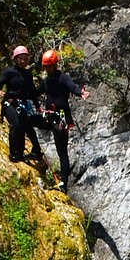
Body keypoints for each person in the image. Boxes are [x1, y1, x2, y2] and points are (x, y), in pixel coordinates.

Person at [39, 49, 89, 192]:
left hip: (62, 119)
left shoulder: (63, 78)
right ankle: (36, 150)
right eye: (46, 67)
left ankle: (64, 184)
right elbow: (35, 92)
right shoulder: (46, 82)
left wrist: (81, 93)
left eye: (50, 66)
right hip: (50, 118)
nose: (48, 69)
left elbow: (73, 88)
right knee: (30, 121)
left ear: (55, 65)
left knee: (62, 151)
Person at [0, 45, 44, 163]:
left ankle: (20, 154)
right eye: (20, 58)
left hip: (22, 104)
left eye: (25, 59)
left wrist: (37, 106)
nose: (23, 61)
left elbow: (32, 91)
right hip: (10, 102)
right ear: (16, 59)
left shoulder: (28, 74)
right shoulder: (9, 72)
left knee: (23, 126)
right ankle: (13, 153)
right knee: (15, 125)